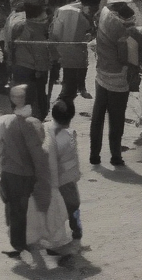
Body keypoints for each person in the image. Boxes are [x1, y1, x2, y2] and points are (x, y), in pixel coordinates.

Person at [0, 84, 51, 260]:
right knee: (19, 209)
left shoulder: (3, 121)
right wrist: (43, 177)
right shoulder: (30, 124)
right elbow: (37, 153)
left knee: (14, 209)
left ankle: (18, 243)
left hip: (9, 172)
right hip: (21, 174)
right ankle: (20, 243)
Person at [89, 0, 137, 166]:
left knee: (98, 116)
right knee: (116, 119)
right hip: (117, 79)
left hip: (101, 74)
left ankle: (94, 155)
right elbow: (123, 58)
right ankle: (115, 156)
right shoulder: (121, 32)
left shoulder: (105, 17)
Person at [49, 0, 100, 111]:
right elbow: (89, 31)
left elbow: (53, 28)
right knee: (69, 80)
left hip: (60, 48)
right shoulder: (82, 14)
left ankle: (66, 96)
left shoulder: (62, 9)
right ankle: (62, 103)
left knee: (67, 76)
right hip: (75, 50)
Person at [49, 99, 83, 242]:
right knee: (73, 205)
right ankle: (76, 228)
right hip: (67, 180)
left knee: (53, 208)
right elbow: (73, 161)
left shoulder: (46, 130)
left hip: (50, 179)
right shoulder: (68, 136)